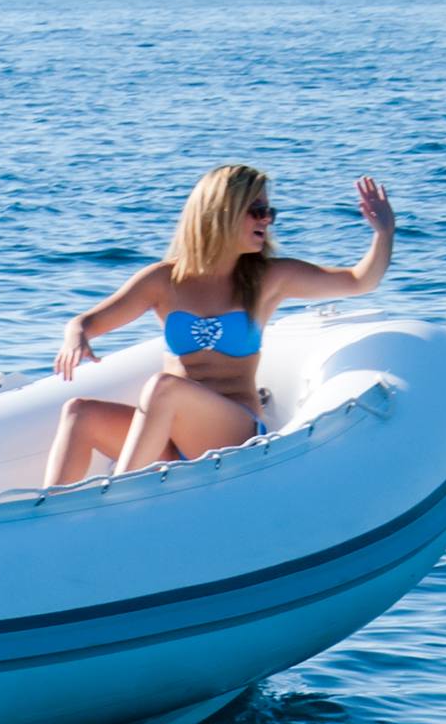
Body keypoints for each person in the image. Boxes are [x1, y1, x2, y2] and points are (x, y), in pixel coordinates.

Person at [43, 165, 397, 486]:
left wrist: (384, 233)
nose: (267, 220)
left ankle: (119, 496)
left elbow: (359, 281)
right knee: (79, 412)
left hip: (234, 431)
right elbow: (88, 322)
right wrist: (76, 335)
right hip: (170, 436)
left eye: (270, 212)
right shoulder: (164, 280)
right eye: (257, 211)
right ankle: (46, 514)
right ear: (222, 212)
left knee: (164, 388)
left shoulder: (269, 278)